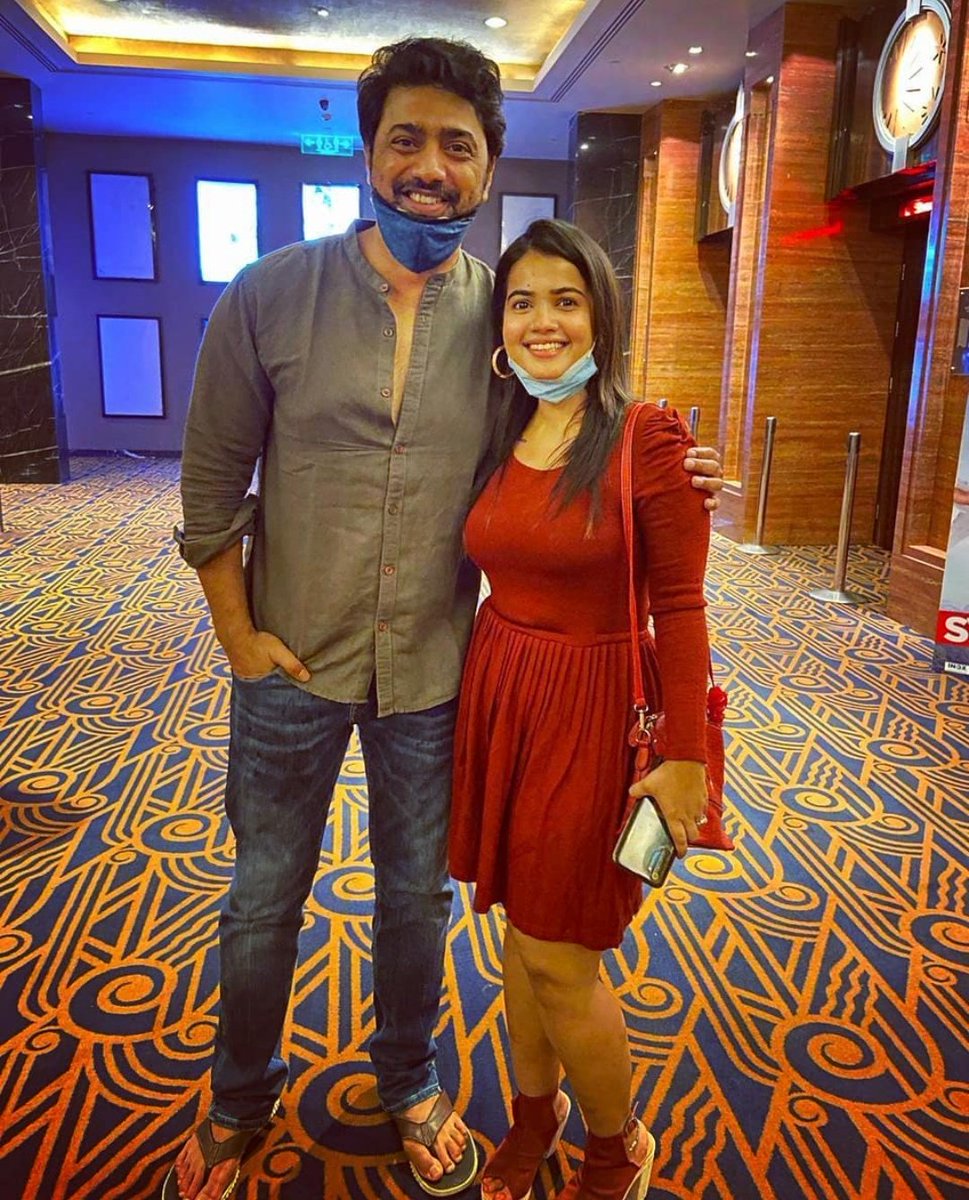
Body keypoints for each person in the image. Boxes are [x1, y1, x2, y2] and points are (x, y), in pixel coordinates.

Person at [167, 38, 724, 1200]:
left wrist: (670, 470)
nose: (430, 166)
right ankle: (237, 1099)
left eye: (456, 146)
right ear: (367, 153)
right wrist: (239, 640)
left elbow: (578, 422)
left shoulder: (502, 323)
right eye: (406, 140)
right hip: (289, 663)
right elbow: (211, 492)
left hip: (437, 674)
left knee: (416, 896)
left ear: (486, 167)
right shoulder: (269, 294)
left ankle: (410, 1079)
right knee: (264, 896)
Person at [449, 218, 714, 1200]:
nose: (543, 321)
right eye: (522, 302)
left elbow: (680, 607)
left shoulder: (647, 438)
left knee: (559, 955)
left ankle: (616, 1147)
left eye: (566, 300)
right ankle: (535, 1116)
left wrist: (684, 758)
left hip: (594, 711)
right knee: (521, 937)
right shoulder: (499, 428)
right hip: (503, 699)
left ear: (601, 313)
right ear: (499, 324)